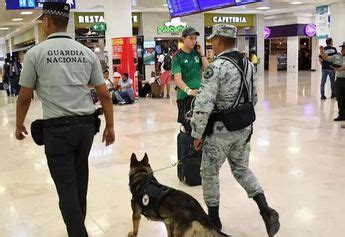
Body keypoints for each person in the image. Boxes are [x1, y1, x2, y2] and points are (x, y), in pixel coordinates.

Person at [15, 2, 115, 237]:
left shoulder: (35, 54)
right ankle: (78, 229)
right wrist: (110, 126)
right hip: (85, 129)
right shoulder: (87, 52)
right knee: (80, 183)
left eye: (42, 22)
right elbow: (104, 94)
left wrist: (19, 124)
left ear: (47, 22)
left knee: (66, 189)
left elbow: (24, 98)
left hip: (56, 131)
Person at [190, 24, 280, 236]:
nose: (211, 43)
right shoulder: (248, 64)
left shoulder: (217, 67)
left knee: (209, 173)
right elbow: (254, 97)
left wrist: (197, 134)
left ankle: (214, 219)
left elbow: (204, 104)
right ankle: (265, 209)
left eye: (213, 40)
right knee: (242, 169)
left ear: (219, 41)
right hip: (243, 127)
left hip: (220, 131)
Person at [171, 26, 209, 131]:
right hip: (185, 97)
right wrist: (189, 91)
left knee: (201, 126)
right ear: (183, 38)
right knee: (188, 126)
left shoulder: (196, 53)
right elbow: (177, 79)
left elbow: (208, 70)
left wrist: (202, 53)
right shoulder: (177, 56)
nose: (194, 41)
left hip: (199, 94)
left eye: (195, 38)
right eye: (191, 38)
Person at [320, 42, 345, 121]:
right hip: (339, 80)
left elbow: (344, 67)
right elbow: (326, 58)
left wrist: (338, 69)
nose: (342, 50)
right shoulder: (337, 56)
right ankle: (341, 115)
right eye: (342, 48)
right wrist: (321, 51)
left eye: (344, 48)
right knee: (339, 98)